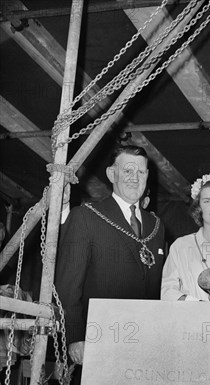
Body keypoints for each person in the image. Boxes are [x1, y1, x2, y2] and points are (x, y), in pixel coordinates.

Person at [56, 145, 165, 365]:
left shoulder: (156, 225)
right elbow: (67, 285)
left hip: (145, 342)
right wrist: (75, 337)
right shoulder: (86, 217)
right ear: (111, 174)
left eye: (141, 172)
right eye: (127, 171)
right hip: (98, 340)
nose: (134, 178)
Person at [161, 174, 210, 301]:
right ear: (198, 207)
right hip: (191, 318)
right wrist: (197, 305)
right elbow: (166, 291)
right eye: (207, 201)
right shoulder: (181, 245)